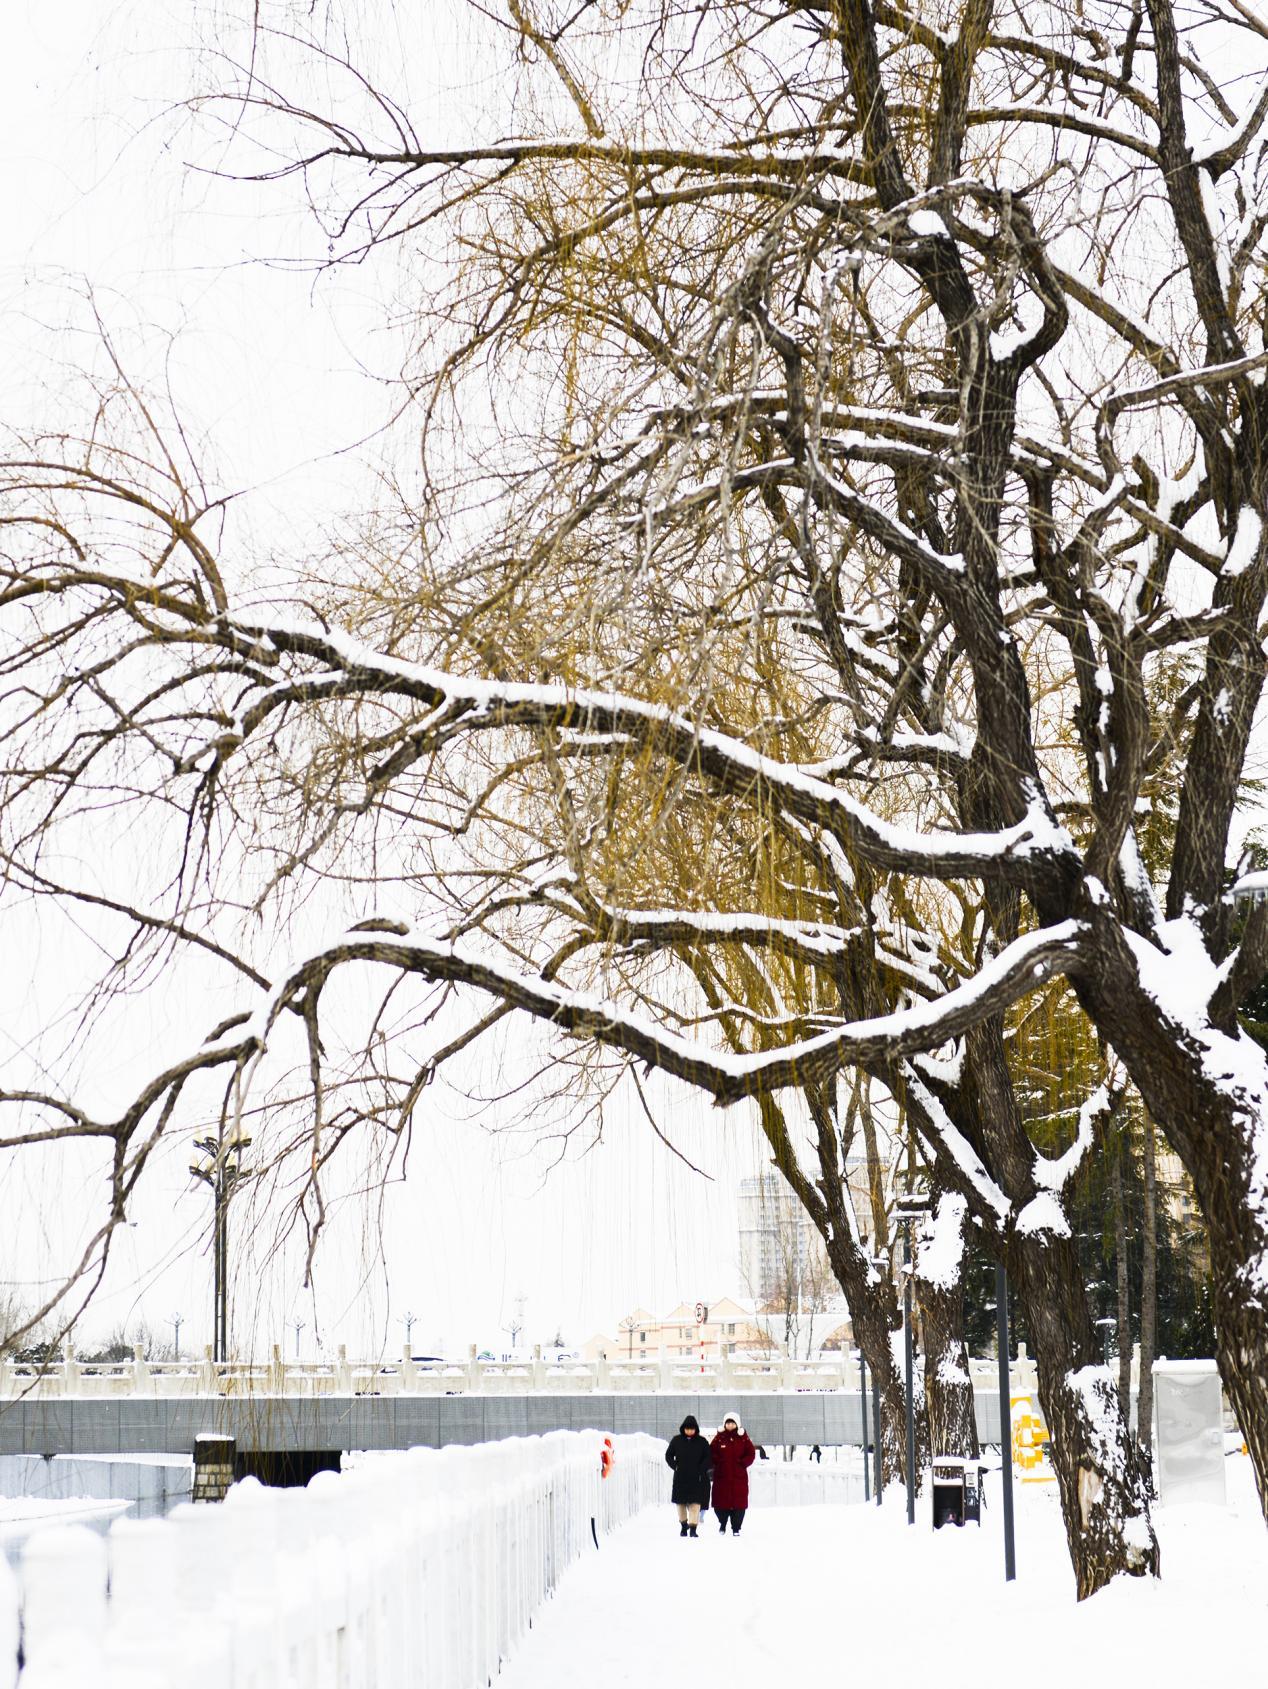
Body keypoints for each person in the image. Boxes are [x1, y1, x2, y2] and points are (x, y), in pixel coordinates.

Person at [664, 1414, 712, 1537]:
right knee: (680, 1504)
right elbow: (668, 1455)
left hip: (697, 1478)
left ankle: (693, 1529)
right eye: (687, 1429)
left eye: (692, 1429)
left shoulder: (702, 1442)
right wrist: (675, 1466)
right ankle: (683, 1526)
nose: (689, 1431)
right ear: (683, 1429)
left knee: (695, 1504)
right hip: (680, 1477)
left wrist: (701, 1469)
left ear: (696, 1429)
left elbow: (708, 1457)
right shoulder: (676, 1440)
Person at [709, 1412, 756, 1535]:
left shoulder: (743, 1438)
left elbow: (751, 1453)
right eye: (728, 1423)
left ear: (737, 1424)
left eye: (732, 1423)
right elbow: (711, 1452)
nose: (730, 1425)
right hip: (722, 1477)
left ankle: (736, 1528)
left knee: (739, 1504)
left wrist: (742, 1463)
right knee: (720, 1503)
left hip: (738, 1478)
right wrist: (718, 1462)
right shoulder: (719, 1438)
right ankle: (722, 1523)